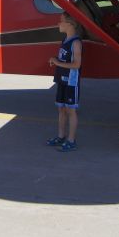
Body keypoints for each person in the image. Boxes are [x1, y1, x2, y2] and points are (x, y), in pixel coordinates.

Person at [47, 12, 83, 152]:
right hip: (62, 80)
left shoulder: (75, 43)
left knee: (71, 110)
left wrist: (57, 62)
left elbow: (76, 65)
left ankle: (71, 140)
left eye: (61, 21)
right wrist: (55, 59)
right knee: (61, 109)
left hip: (71, 82)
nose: (58, 24)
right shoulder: (65, 41)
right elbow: (64, 60)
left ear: (70, 24)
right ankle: (61, 136)